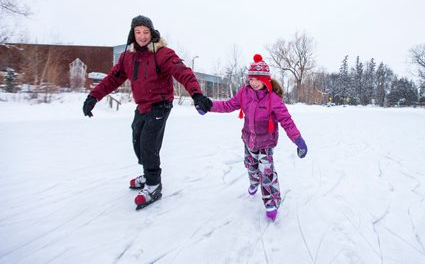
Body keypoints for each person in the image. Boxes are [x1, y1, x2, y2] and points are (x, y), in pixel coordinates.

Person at [82, 15, 212, 209]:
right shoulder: (128, 57)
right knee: (137, 141)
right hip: (142, 105)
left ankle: (153, 184)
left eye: (145, 32)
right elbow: (112, 79)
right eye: (138, 32)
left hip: (160, 104)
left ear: (152, 33)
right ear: (132, 34)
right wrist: (93, 97)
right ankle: (147, 172)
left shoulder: (162, 54)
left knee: (148, 144)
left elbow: (183, 72)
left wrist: (196, 94)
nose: (142, 36)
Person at [206, 54, 308, 221]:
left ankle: (271, 202)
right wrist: (209, 106)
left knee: (266, 173)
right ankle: (253, 181)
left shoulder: (273, 99)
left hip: (266, 142)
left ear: (265, 80)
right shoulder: (244, 93)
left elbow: (286, 121)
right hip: (249, 140)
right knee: (251, 166)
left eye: (256, 79)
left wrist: (298, 140)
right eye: (250, 79)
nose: (252, 83)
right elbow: (228, 105)